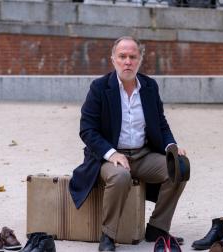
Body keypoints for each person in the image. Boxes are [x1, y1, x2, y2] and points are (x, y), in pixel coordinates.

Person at [69, 36, 188, 251]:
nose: (127, 62)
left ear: (140, 59)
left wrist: (171, 146)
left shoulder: (150, 86)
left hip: (143, 155)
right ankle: (108, 235)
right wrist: (112, 154)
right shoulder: (99, 88)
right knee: (121, 176)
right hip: (108, 158)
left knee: (178, 168)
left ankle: (157, 227)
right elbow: (87, 129)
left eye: (132, 57)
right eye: (122, 56)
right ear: (113, 59)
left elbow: (161, 124)